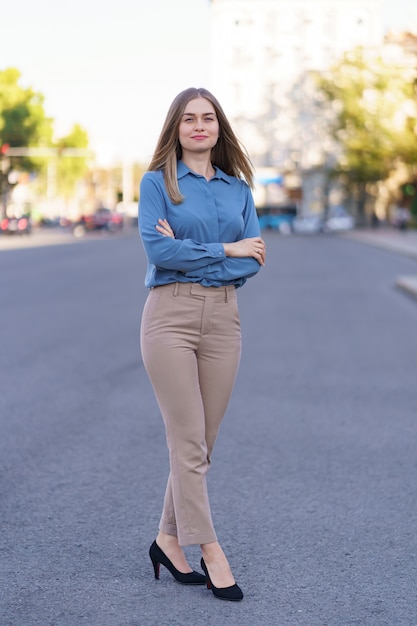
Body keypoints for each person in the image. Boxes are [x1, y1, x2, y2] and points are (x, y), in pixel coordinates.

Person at [138, 87, 266, 602]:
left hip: (225, 319)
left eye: (207, 118)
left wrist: (203, 253)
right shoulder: (156, 183)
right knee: (187, 443)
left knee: (202, 446)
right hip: (169, 316)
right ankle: (211, 550)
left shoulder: (239, 190)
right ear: (176, 127)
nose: (198, 126)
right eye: (188, 119)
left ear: (218, 128)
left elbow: (252, 258)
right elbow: (156, 248)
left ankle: (167, 540)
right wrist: (224, 248)